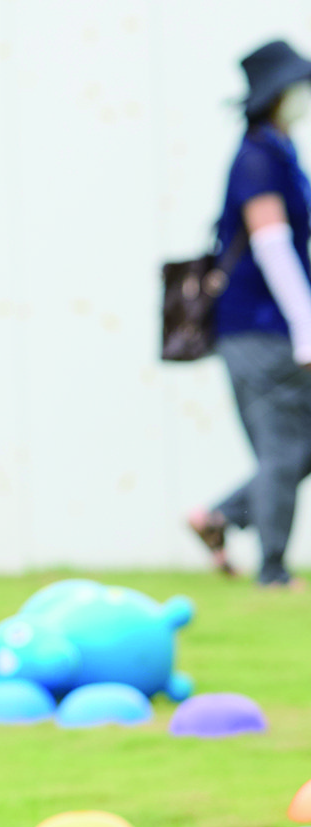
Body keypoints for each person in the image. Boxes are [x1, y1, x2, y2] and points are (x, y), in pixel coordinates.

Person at [189, 38, 311, 589]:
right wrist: (307, 327)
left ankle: (223, 515)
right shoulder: (259, 155)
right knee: (284, 444)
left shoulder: (276, 150)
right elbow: (273, 245)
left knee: (291, 444)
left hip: (262, 328)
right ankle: (272, 569)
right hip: (260, 329)